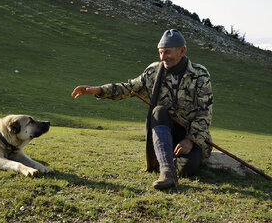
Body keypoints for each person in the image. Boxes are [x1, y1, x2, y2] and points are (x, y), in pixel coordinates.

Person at [71, 29, 213, 190]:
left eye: (167, 52)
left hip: (189, 134)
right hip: (163, 129)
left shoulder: (200, 75)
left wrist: (191, 140)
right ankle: (166, 170)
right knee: (158, 111)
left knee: (188, 169)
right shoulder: (153, 71)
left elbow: (204, 112)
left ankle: (168, 159)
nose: (163, 57)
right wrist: (97, 90)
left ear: (182, 51)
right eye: (160, 53)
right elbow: (129, 88)